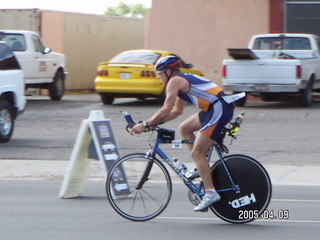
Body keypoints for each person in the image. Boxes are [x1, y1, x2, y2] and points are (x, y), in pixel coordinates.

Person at [131, 56, 234, 211]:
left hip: (219, 107)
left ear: (168, 71)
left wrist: (145, 124)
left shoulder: (174, 81)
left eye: (160, 73)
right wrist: (152, 125)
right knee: (184, 128)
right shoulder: (180, 82)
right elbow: (176, 112)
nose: (159, 77)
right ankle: (201, 165)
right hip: (213, 107)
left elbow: (165, 109)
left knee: (196, 152)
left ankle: (211, 193)